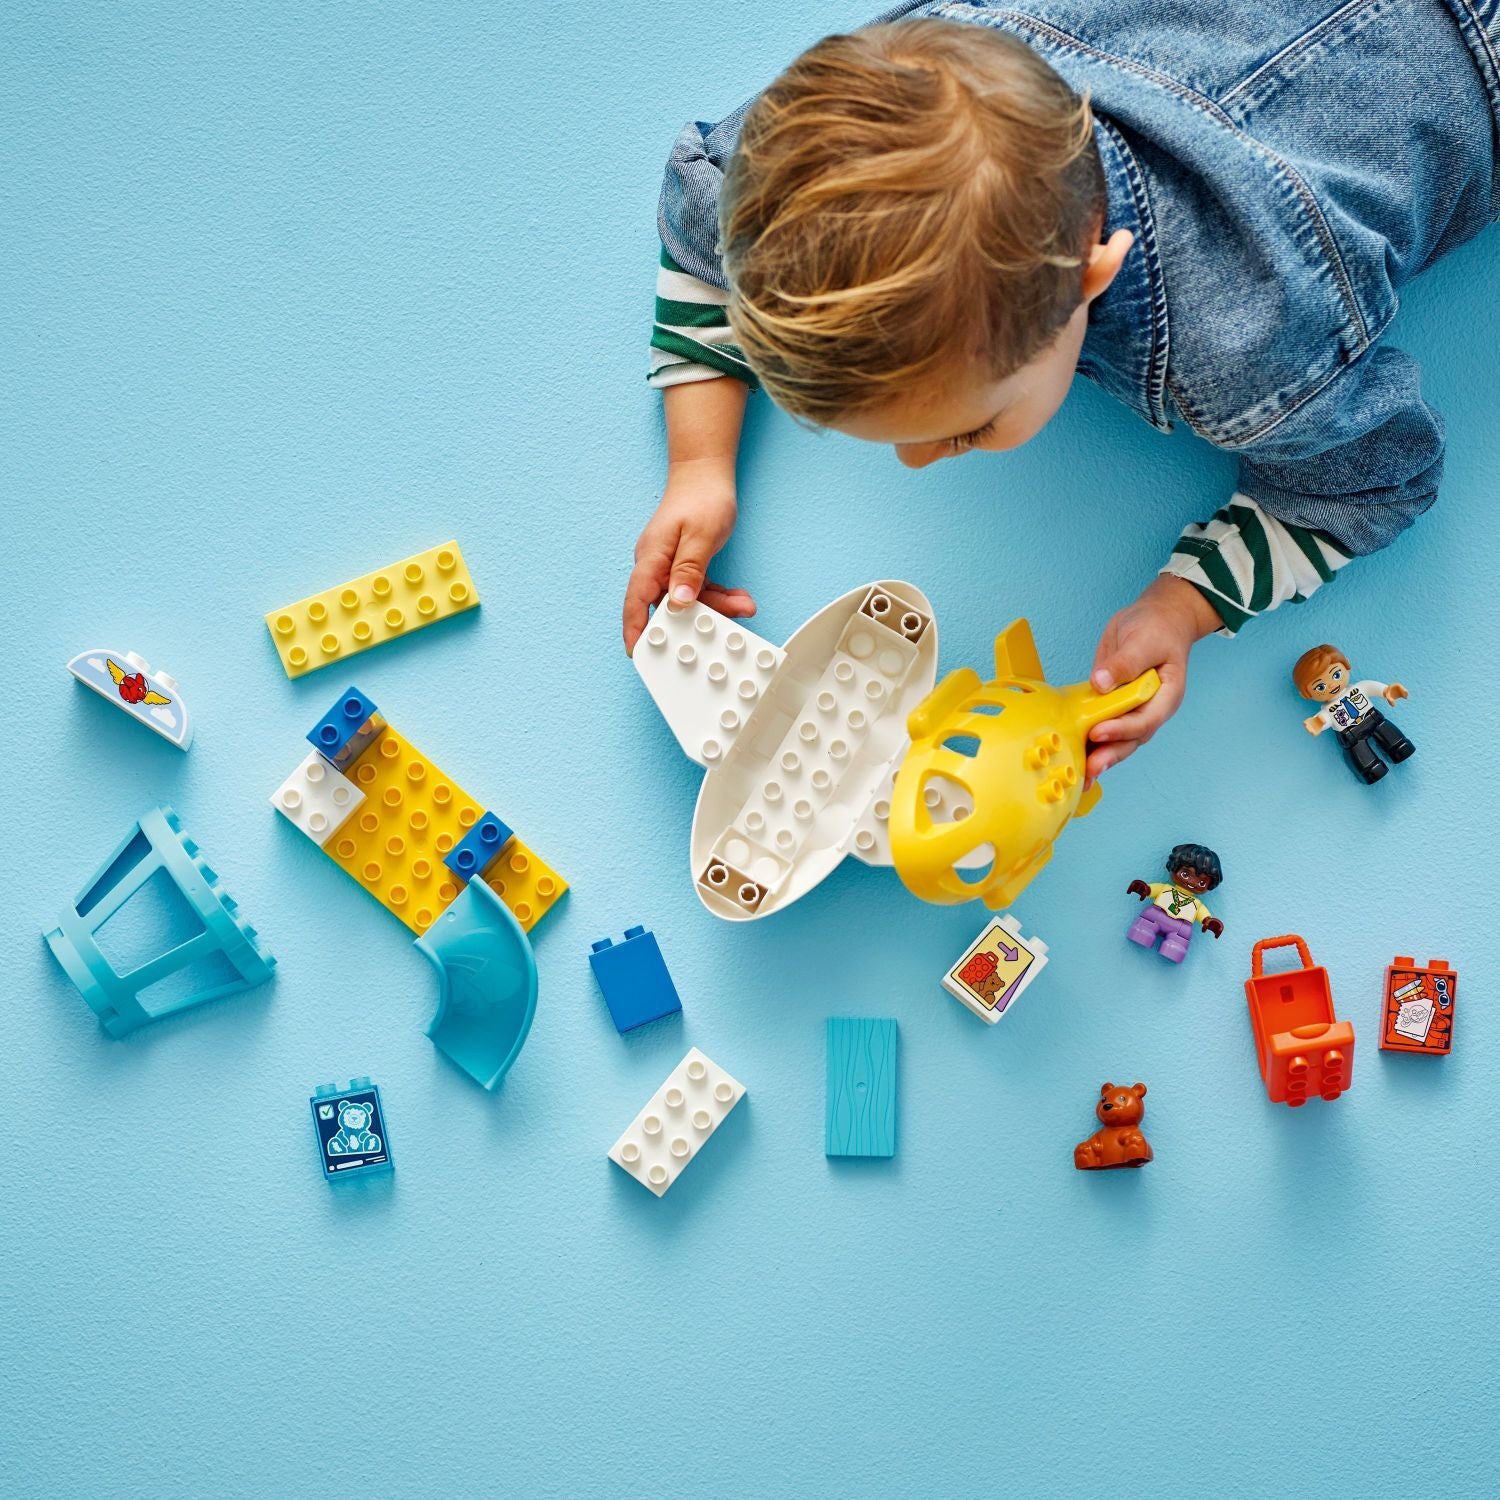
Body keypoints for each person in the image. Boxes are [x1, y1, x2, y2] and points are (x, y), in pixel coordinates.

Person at [625, 4, 1497, 780]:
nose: (918, 464)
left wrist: (1186, 604)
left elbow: (1374, 479)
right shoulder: (916, 82)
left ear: (1094, 275)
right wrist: (700, 465)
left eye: (967, 430)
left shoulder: (1243, 347)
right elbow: (705, 218)